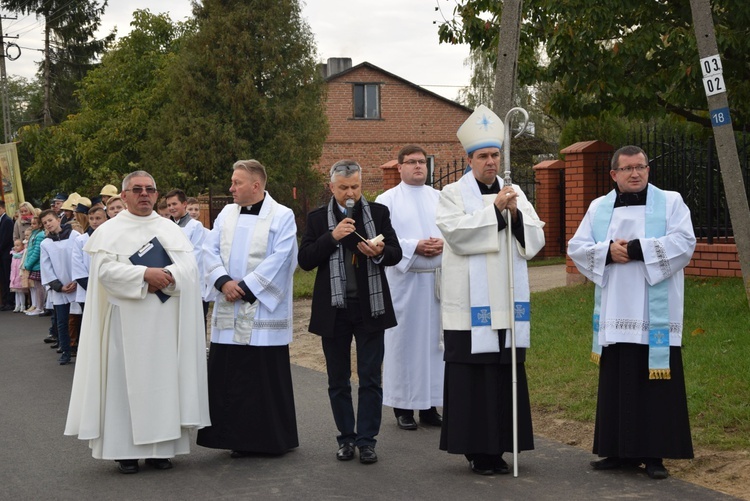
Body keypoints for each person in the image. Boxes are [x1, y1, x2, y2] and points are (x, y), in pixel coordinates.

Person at [65, 170, 210, 474]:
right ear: (125, 195)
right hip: (125, 321)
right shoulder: (110, 230)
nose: (144, 194)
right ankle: (125, 452)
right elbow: (104, 272)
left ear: (157, 195)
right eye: (137, 189)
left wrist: (168, 277)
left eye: (150, 189)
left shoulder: (170, 229)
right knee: (122, 385)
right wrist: (144, 274)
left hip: (164, 321)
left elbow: (190, 270)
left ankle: (161, 451)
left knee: (164, 383)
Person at [567, 145, 696, 480]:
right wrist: (607, 252)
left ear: (648, 170)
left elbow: (685, 242)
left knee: (655, 383)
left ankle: (654, 455)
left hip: (655, 310)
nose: (635, 173)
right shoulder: (599, 207)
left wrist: (638, 248)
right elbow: (577, 248)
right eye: (627, 169)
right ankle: (618, 451)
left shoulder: (671, 201)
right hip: (615, 310)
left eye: (641, 167)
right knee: (618, 379)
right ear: (614, 175)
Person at [436, 105, 546, 475]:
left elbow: (535, 240)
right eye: (482, 156)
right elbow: (457, 236)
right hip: (469, 306)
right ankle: (477, 451)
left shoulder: (516, 194)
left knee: (504, 375)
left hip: (508, 304)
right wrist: (496, 212)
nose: (490, 162)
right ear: (469, 159)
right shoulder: (451, 194)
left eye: (495, 155)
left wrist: (513, 216)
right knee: (474, 376)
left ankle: (502, 445)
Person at [298, 160, 402, 465]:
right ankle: (345, 438)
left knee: (370, 377)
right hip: (334, 309)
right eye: (343, 188)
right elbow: (305, 260)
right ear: (332, 188)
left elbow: (395, 253)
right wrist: (333, 237)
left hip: (371, 306)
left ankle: (367, 441)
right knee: (338, 378)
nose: (350, 194)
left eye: (355, 187)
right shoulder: (318, 218)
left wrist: (380, 252)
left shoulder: (378, 214)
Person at [197, 160, 299, 458]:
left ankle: (270, 439)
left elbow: (283, 257)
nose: (231, 188)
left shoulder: (282, 215)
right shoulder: (226, 213)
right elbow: (209, 249)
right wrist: (223, 281)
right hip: (228, 307)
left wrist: (248, 287)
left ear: (256, 185)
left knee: (262, 375)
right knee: (229, 373)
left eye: (236, 183)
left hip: (262, 311)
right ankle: (232, 437)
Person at [375, 145, 445, 430]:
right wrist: (414, 245)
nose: (418, 166)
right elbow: (378, 240)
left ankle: (430, 406)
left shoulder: (441, 197)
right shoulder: (386, 200)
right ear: (400, 167)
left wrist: (443, 244)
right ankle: (403, 407)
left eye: (422, 162)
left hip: (437, 283)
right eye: (412, 162)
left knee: (434, 345)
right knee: (403, 343)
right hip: (404, 282)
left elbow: (454, 231)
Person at [39, 209, 81, 365]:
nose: (48, 224)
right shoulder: (45, 243)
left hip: (77, 284)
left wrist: (77, 281)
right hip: (60, 288)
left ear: (58, 219)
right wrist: (59, 287)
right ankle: (66, 351)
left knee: (81, 319)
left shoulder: (75, 237)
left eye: (50, 220)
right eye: (44, 223)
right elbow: (46, 267)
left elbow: (81, 259)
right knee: (62, 321)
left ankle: (83, 350)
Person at [24, 215, 47, 317]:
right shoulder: (35, 234)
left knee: (40, 287)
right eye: (31, 223)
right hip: (34, 265)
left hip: (37, 265)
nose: (32, 226)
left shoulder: (40, 235)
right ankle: (38, 306)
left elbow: (37, 252)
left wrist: (28, 264)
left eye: (34, 223)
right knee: (37, 287)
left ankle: (40, 307)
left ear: (40, 224)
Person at [0, 200, 14, 311]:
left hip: (6, 254)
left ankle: (10, 301)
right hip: (2, 254)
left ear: (3, 208)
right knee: (3, 278)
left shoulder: (7, 221)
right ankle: (5, 301)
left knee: (7, 277)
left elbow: (5, 239)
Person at [10, 239, 28, 311]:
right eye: (15, 245)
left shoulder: (22, 255)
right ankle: (17, 306)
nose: (16, 247)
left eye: (18, 245)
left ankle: (22, 305)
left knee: (21, 292)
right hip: (14, 275)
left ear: (22, 246)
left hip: (19, 275)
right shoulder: (13, 255)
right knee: (16, 293)